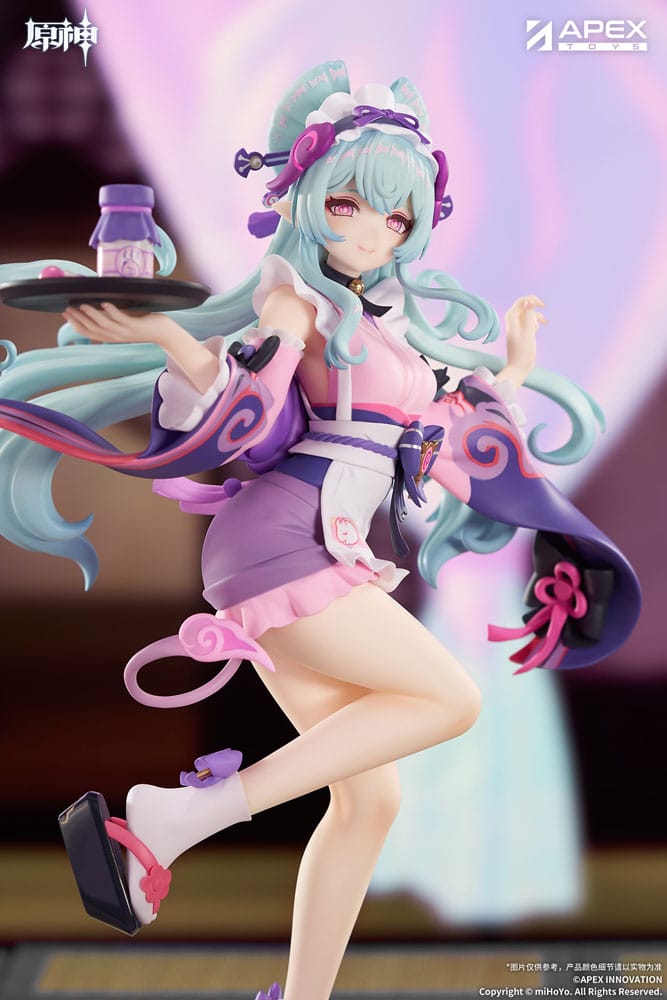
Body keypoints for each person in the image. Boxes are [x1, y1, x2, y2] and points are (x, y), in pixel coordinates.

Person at [0, 61, 639, 1000]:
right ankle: (174, 820)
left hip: (318, 548)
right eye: (348, 204)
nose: (372, 232)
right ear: (305, 200)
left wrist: (510, 368)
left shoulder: (385, 327)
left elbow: (442, 434)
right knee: (451, 700)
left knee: (370, 798)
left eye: (396, 219)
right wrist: (174, 341)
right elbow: (249, 407)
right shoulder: (291, 299)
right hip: (281, 542)